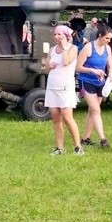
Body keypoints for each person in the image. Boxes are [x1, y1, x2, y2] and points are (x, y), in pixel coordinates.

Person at [44, 25, 83, 156]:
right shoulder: (52, 50)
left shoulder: (73, 48)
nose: (56, 37)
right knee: (55, 119)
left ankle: (78, 147)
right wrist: (48, 65)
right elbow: (45, 68)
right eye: (55, 34)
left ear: (66, 35)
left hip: (65, 87)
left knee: (67, 118)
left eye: (59, 34)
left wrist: (65, 46)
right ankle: (59, 148)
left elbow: (66, 62)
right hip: (52, 86)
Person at [77, 23, 112, 149]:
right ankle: (103, 139)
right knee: (96, 110)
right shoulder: (88, 47)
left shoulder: (107, 48)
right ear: (100, 36)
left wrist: (111, 74)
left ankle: (85, 138)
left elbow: (110, 65)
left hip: (100, 82)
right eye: (107, 38)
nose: (108, 41)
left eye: (110, 39)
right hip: (86, 81)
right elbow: (78, 67)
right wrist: (93, 71)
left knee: (92, 111)